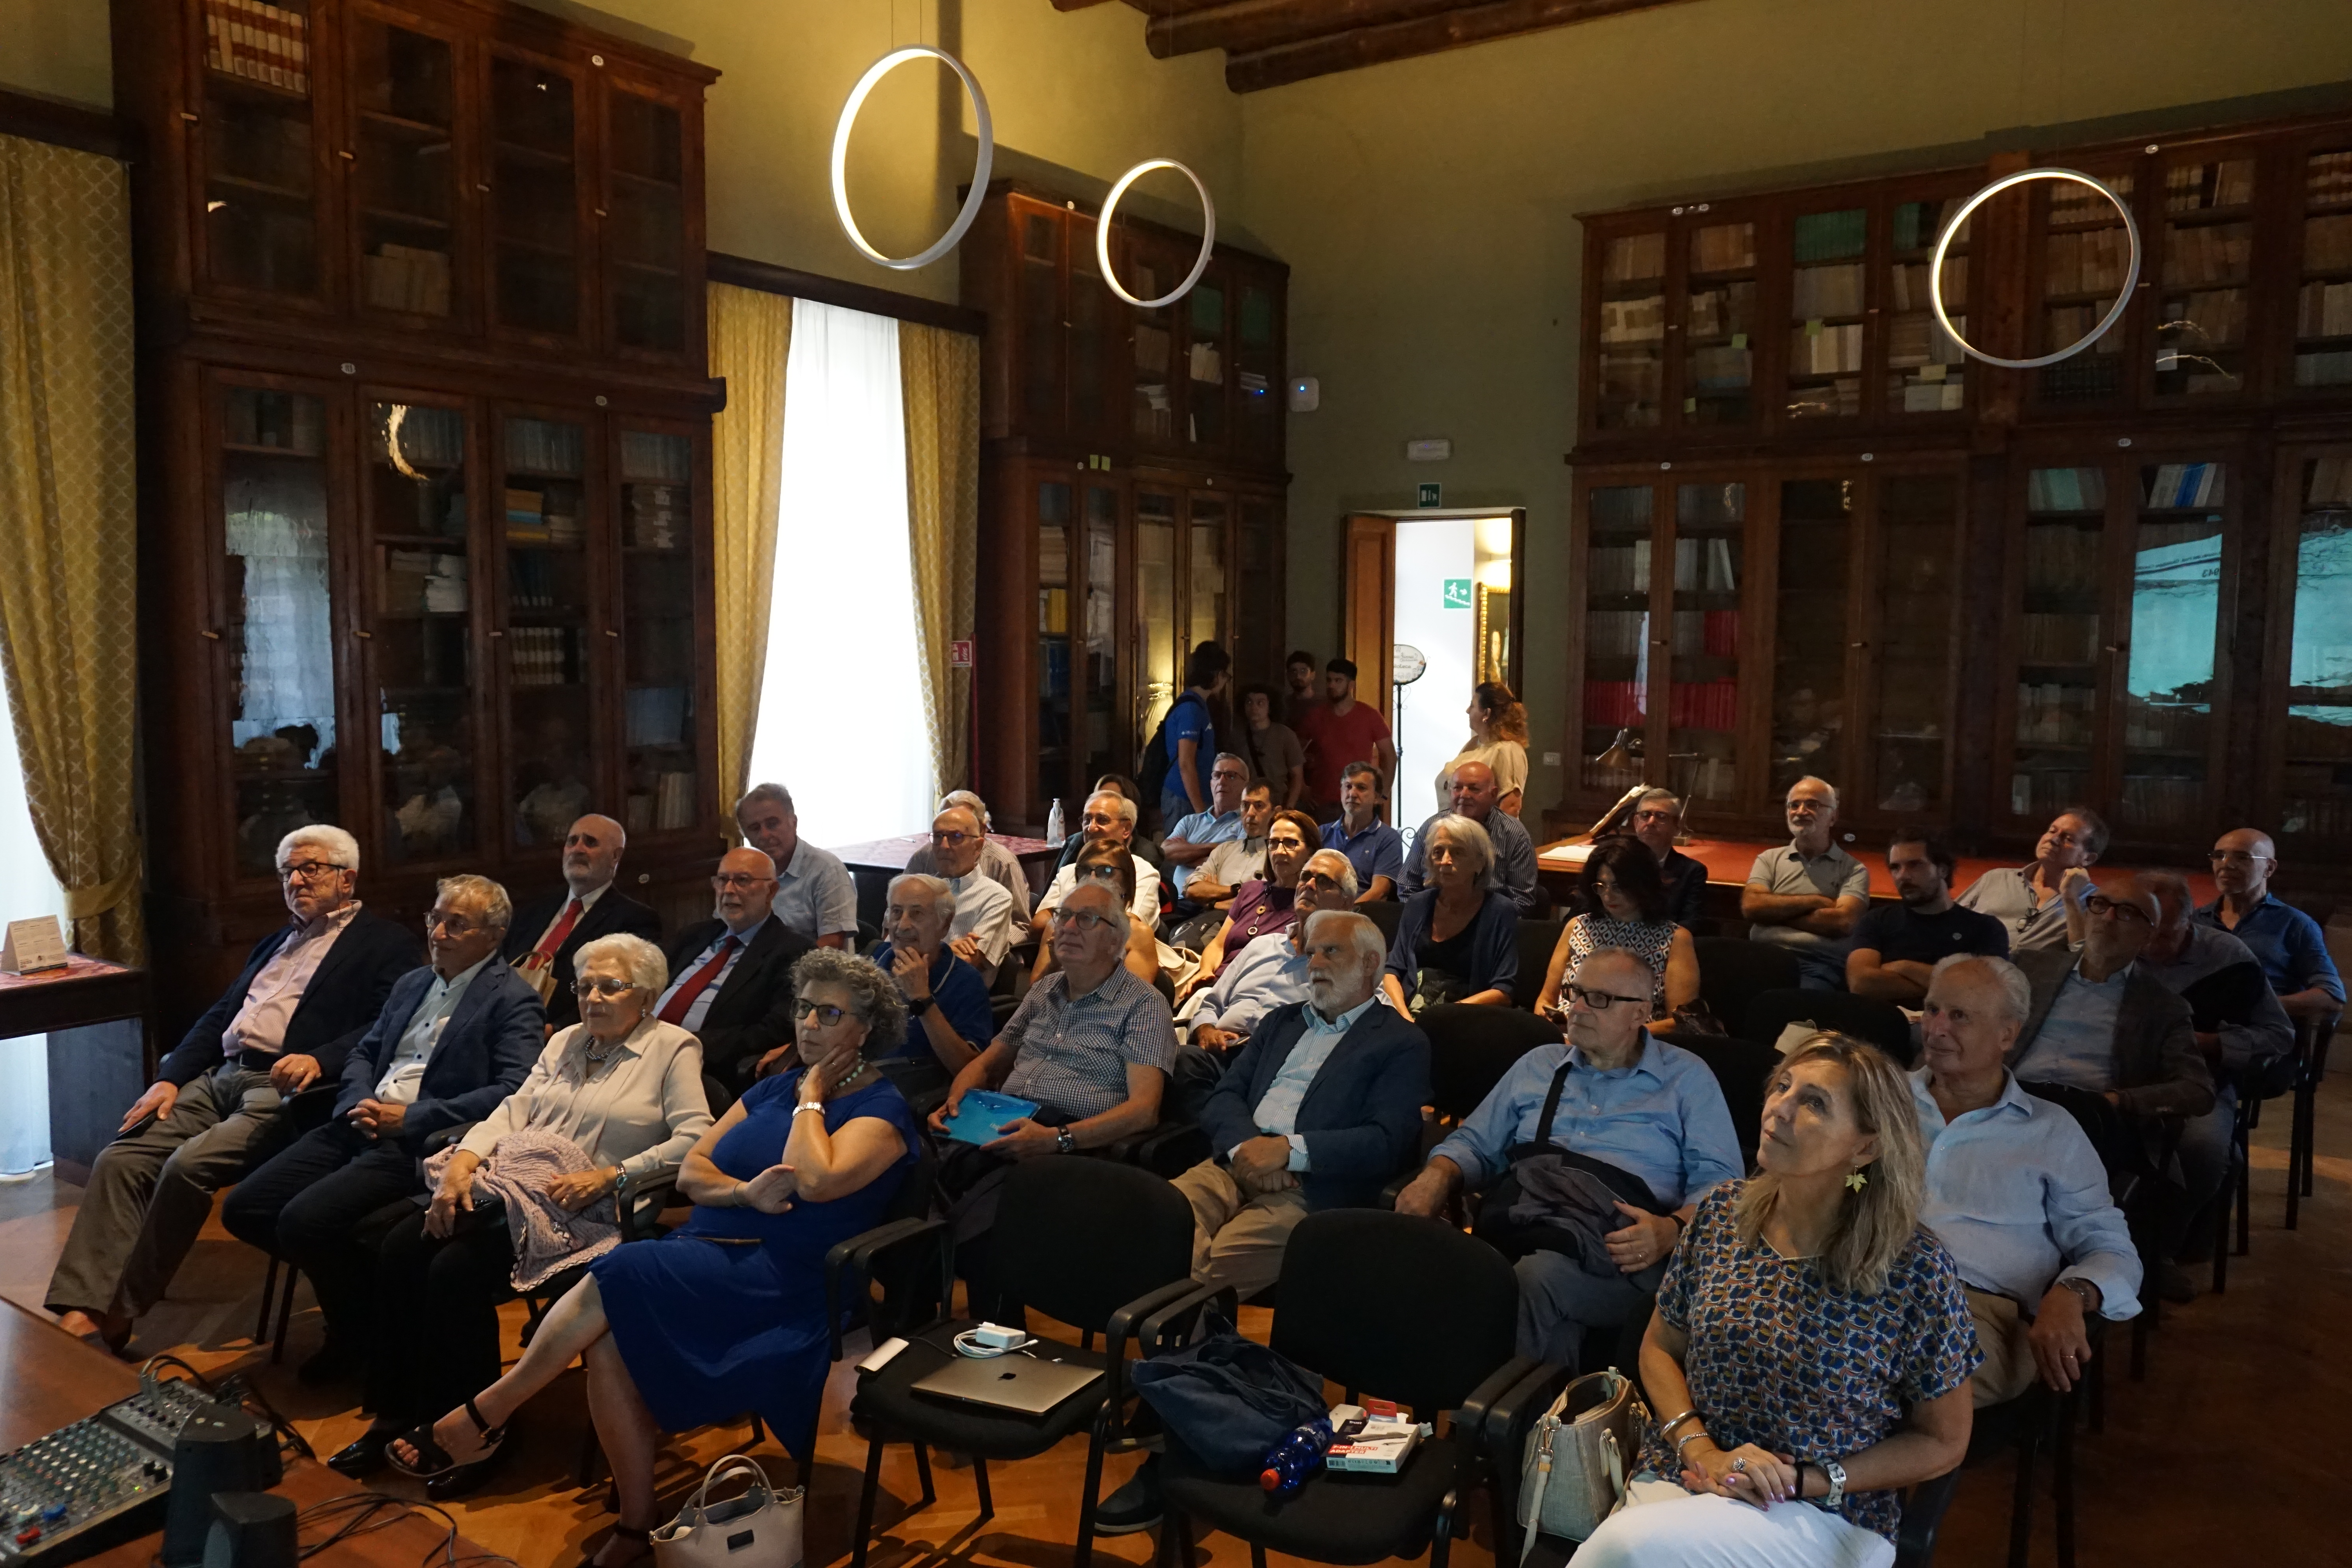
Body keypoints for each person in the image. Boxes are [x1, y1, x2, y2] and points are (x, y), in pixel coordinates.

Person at [388, 951, 920, 1568]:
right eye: (804, 1008)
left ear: (867, 1028)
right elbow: (694, 1172)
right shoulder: (768, 1088)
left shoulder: (881, 1109)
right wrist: (743, 1192)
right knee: (609, 1339)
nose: (808, 1024)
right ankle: (637, 1527)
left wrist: (811, 1096)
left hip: (785, 1280)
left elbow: (816, 1180)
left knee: (620, 1269)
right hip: (705, 1253)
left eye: (830, 1014)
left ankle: (487, 1413)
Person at [1572, 1035, 1977, 1568]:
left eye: (1813, 1103)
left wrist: (1808, 1479)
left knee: (1624, 1550)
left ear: (1865, 1147)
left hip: (1825, 1511)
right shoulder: (1721, 1215)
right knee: (1633, 1547)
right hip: (1690, 1474)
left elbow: (1944, 1440)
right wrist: (1703, 1452)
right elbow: (1659, 1348)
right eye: (1782, 1087)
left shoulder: (1913, 1268)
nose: (1779, 1109)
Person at [333, 933, 712, 1492]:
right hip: (515, 1188)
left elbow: (697, 1137)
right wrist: (464, 1162)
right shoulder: (564, 1044)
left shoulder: (673, 1047)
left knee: (454, 1269)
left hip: (597, 1212)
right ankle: (396, 1413)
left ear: (648, 995)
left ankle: (478, 1428)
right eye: (586, 987)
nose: (594, 999)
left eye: (612, 987)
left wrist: (614, 1175)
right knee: (398, 1247)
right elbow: (513, 1111)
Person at [47, 827, 420, 1354]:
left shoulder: (385, 943)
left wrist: (321, 1057)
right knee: (122, 1156)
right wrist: (168, 1079)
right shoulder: (277, 941)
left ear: (347, 877)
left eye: (310, 867)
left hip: (286, 1089)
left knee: (187, 1166)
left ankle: (122, 1308)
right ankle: (83, 1305)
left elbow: (390, 1022)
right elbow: (221, 1015)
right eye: (287, 871)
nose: (295, 879)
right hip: (220, 1076)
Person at [221, 875, 543, 1383]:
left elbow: (513, 1089)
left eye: (456, 924)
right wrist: (357, 1100)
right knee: (246, 1208)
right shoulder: (413, 983)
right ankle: (372, 1316)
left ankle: (359, 1342)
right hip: (358, 1120)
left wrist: (411, 1117)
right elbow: (365, 1052)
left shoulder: (512, 1000)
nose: (438, 932)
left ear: (494, 934)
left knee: (305, 1222)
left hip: (418, 1141)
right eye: (435, 918)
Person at [1394, 947, 1740, 1369]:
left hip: (1627, 1255)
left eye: (1599, 998)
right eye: (1576, 992)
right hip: (1528, 1226)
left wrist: (1672, 1231)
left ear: (1641, 1013)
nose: (1576, 1007)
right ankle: (1532, 1423)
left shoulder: (1686, 1078)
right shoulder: (1539, 1065)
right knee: (1520, 1290)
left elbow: (1723, 1187)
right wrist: (1437, 1174)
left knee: (1537, 1280)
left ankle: (1484, 1416)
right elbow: (1475, 1142)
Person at [934, 881, 1175, 1311]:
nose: (1066, 928)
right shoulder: (1043, 991)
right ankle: (919, 1327)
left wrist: (1055, 1138)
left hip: (1071, 1144)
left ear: (1116, 940)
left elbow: (1144, 1111)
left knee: (983, 1226)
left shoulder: (1143, 1005)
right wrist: (957, 1101)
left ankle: (995, 1344)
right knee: (908, 1170)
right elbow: (988, 1063)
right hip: (1002, 1120)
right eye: (1063, 916)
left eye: (1086, 919)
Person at [1915, 955, 2141, 1406]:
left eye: (1959, 1016)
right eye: (1932, 1009)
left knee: (1873, 1372)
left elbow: (2111, 1247)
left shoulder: (2051, 1132)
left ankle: (1826, 1475)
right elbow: (1840, 1185)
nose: (1936, 1028)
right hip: (1857, 1283)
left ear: (2008, 1034)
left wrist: (2073, 1291)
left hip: (1978, 1311)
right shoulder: (1880, 1101)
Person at [2131, 869, 2292, 1298]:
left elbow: (2279, 1035)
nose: (2149, 947)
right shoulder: (2116, 944)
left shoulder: (2227, 956)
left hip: (2197, 1080)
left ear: (2190, 921)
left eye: (2163, 936)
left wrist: (2212, 1043)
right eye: (2141, 931)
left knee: (2200, 1147)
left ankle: (2159, 1250)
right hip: (2118, 1075)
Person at [2009, 877, 2214, 1123]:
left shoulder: (2163, 1007)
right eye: (2100, 905)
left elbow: (2198, 1091)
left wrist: (2117, 1101)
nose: (2108, 918)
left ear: (2148, 936)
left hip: (2089, 1118)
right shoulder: (2028, 968)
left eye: (2127, 912)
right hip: (2009, 1102)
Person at [658, 849, 817, 1093]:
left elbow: (773, 1030)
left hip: (701, 1068)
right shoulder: (694, 936)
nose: (729, 890)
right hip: (641, 1047)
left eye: (742, 881)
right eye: (722, 880)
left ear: (771, 891)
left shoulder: (792, 952)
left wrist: (687, 1043)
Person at [503, 814, 663, 1033]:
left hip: (556, 1035)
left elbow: (619, 999)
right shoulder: (533, 910)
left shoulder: (635, 920)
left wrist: (554, 1031)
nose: (578, 849)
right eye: (572, 841)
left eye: (590, 842)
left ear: (616, 856)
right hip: (498, 1020)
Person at [1189, 851, 1361, 1053]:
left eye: (1324, 881)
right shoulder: (1260, 945)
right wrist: (1205, 1029)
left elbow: (1378, 1018)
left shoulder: (1349, 965)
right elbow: (1212, 1004)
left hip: (1279, 1064)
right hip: (1218, 1052)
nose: (1310, 885)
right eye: (1305, 877)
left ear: (1347, 904)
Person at [1534, 837, 1698, 1029]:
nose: (1608, 896)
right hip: (1568, 1038)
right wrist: (1550, 1020)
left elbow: (1681, 1022)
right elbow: (1545, 1000)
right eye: (1601, 886)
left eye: (1618, 887)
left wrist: (1615, 1035)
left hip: (1632, 1047)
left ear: (1642, 885)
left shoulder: (1675, 938)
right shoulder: (1578, 926)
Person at [867, 873, 996, 1106]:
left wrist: (922, 999)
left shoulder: (965, 981)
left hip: (910, 1095)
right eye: (896, 912)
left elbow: (970, 1069)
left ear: (944, 924)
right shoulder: (877, 959)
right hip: (857, 1081)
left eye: (916, 914)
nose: (903, 925)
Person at [2197, 828, 2346, 1019]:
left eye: (2242, 858)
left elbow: (2332, 996)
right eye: (2219, 856)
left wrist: (2264, 1005)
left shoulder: (2295, 924)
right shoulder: (2195, 921)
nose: (2226, 865)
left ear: (2269, 868)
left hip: (2261, 1035)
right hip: (2196, 1029)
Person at [1846, 832, 2010, 1004]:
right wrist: (1956, 985)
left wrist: (1905, 967)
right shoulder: (1877, 920)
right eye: (1895, 868)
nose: (1903, 876)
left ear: (1943, 870)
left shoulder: (1985, 928)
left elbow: (1987, 991)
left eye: (1915, 865)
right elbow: (1861, 984)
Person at [1740, 776, 1870, 990]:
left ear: (1833, 817)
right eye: (1794, 805)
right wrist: (1817, 901)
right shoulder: (1768, 859)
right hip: (1763, 958)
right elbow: (1752, 907)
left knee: (1795, 1007)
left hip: (1818, 965)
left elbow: (1842, 922)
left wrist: (1773, 915)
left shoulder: (1854, 869)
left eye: (1813, 805)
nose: (1801, 811)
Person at [1383, 814, 1520, 1013]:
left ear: (1479, 863)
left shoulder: (1499, 911)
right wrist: (1403, 1017)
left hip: (1467, 1019)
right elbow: (1393, 971)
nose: (1445, 861)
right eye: (1438, 852)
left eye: (1458, 852)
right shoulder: (1418, 904)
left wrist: (1443, 1017)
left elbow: (1504, 991)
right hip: (1408, 1014)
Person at [1030, 791, 1163, 982]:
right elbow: (1039, 924)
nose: (1091, 828)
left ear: (1126, 829)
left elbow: (1126, 926)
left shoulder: (1141, 871)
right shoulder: (1069, 872)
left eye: (1102, 820)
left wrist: (1072, 925)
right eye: (1087, 820)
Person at [1183, 809, 1319, 993]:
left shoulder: (1308, 904)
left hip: (1259, 992)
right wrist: (1206, 971)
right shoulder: (1251, 890)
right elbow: (1218, 945)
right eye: (1273, 843)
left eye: (1290, 843)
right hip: (1216, 983)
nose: (1279, 851)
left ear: (1311, 852)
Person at [1956, 807, 2107, 953]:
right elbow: (1948, 921)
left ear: (2088, 858)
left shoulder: (2095, 903)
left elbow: (2085, 958)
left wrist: (2070, 898)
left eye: (2068, 839)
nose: (2053, 839)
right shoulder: (1996, 878)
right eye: (2052, 831)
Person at [1399, 760, 1542, 913]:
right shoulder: (1432, 826)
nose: (1464, 795)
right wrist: (1421, 920)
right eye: (1458, 788)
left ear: (1493, 794)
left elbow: (1522, 900)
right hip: (1434, 919)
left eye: (1474, 789)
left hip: (1489, 925)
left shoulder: (1514, 834)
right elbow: (1407, 885)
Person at [734, 783, 858, 949]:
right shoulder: (740, 873)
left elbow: (832, 945)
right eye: (755, 828)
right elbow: (726, 930)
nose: (765, 835)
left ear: (793, 822)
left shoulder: (827, 870)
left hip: (811, 971)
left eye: (772, 824)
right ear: (744, 834)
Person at [908, 803, 1020, 982]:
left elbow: (966, 965)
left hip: (958, 999)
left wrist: (922, 954)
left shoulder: (996, 898)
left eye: (956, 837)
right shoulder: (920, 893)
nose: (944, 846)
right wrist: (947, 951)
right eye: (938, 836)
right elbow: (892, 952)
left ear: (978, 847)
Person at [1296, 657, 1397, 811]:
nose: (1332, 685)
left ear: (1351, 685)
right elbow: (1295, 755)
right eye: (1329, 680)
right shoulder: (1316, 716)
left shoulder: (1370, 716)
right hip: (1323, 801)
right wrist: (1302, 788)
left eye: (1338, 681)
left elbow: (1389, 755)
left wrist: (1383, 793)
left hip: (1359, 799)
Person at [906, 790, 1029, 911]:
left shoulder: (1003, 862)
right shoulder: (923, 857)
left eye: (956, 835)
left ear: (982, 829)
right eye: (940, 834)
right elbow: (897, 910)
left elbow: (1019, 924)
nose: (945, 846)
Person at [1159, 641, 1232, 829]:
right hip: (1184, 797)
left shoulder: (1200, 705)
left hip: (1192, 796)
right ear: (1216, 674)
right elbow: (1186, 763)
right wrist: (1201, 812)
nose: (1225, 681)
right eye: (1225, 675)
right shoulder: (1191, 709)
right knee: (1180, 853)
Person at [1161, 753, 1252, 899]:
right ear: (1211, 783)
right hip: (1178, 901)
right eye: (1217, 775)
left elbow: (1233, 866)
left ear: (1245, 786)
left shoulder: (1247, 823)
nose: (1222, 781)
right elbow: (1167, 853)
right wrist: (1215, 847)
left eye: (1231, 776)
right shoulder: (1190, 821)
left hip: (1215, 903)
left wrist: (1186, 854)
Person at [1435, 679, 1531, 817]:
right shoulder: (1474, 744)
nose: (1468, 711)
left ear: (1486, 714)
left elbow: (1511, 807)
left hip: (1479, 836)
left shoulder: (1507, 750)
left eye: (1472, 706)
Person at [1622, 787, 1709, 931]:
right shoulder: (1615, 862)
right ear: (1636, 822)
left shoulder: (1692, 872)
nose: (1651, 822)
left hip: (1663, 947)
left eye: (1661, 816)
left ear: (1677, 826)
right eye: (1645, 815)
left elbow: (1691, 923)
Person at [1181, 778, 1275, 911]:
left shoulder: (1277, 854)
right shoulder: (1225, 850)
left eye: (1259, 806)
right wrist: (1235, 890)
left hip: (1252, 926)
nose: (1250, 813)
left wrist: (1213, 901)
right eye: (1245, 806)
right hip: (1208, 920)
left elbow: (1261, 902)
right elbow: (1191, 889)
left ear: (1275, 812)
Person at [1321, 762, 1405, 905]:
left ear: (1377, 798)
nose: (1352, 794)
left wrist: (1343, 916)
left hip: (1362, 917)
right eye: (1348, 787)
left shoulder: (1388, 839)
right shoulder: (1322, 833)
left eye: (1361, 788)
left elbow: (1380, 892)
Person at [1238, 684, 1306, 807]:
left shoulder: (1286, 735)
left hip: (1278, 803)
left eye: (1260, 703)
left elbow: (1297, 776)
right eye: (1249, 702)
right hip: (1247, 803)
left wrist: (1289, 807)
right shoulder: (1237, 736)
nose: (1254, 707)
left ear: (1270, 707)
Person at [1282, 649, 1321, 729]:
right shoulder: (1283, 705)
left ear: (1313, 675)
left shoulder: (1324, 705)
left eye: (1304, 671)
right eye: (1294, 671)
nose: (1298, 676)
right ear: (1288, 675)